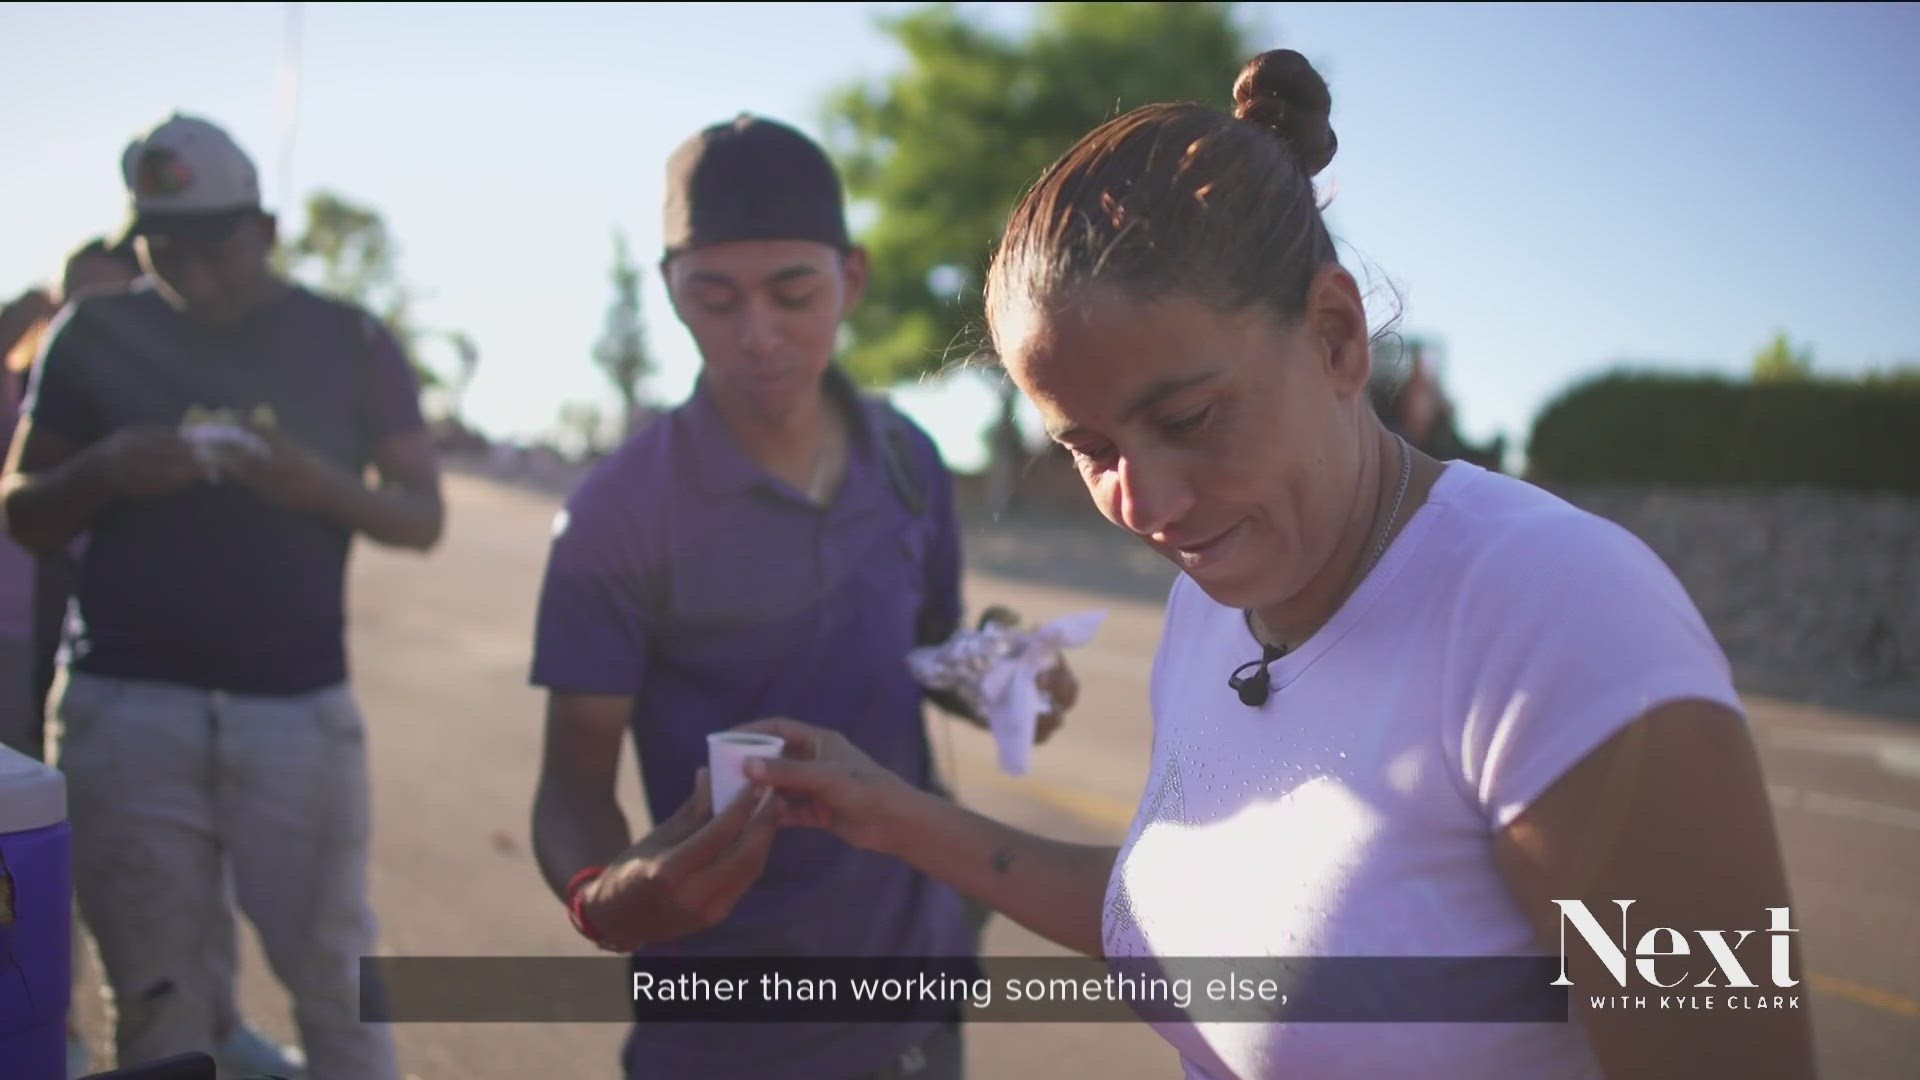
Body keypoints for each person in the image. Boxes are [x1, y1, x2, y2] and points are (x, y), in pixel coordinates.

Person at [730, 51, 1816, 1080]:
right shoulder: (1219, 606)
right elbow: (1192, 926)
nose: (1143, 505)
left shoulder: (1559, 617)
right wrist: (884, 809)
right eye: (1090, 450)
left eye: (1190, 418)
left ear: (1339, 336)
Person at [527, 114, 1078, 1080]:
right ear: (670, 293)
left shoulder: (905, 458)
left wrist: (1001, 671)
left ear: (851, 279)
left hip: (914, 982)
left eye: (794, 293)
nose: (759, 335)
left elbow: (931, 650)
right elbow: (572, 786)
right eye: (716, 297)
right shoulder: (615, 515)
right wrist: (604, 898)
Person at [1, 112, 443, 1079]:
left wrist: (315, 484)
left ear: (269, 231)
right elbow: (22, 507)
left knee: (335, 974)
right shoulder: (93, 334)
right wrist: (107, 470)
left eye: (216, 250)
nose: (195, 275)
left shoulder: (348, 338)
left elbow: (421, 515)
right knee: (157, 995)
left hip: (295, 710)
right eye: (166, 252)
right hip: (124, 704)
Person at [5, 235, 310, 1079]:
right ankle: (45, 1034)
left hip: (96, 642)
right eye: (89, 305)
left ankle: (214, 1019)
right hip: (12, 642)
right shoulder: (36, 386)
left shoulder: (138, 389)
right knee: (27, 856)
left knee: (165, 850)